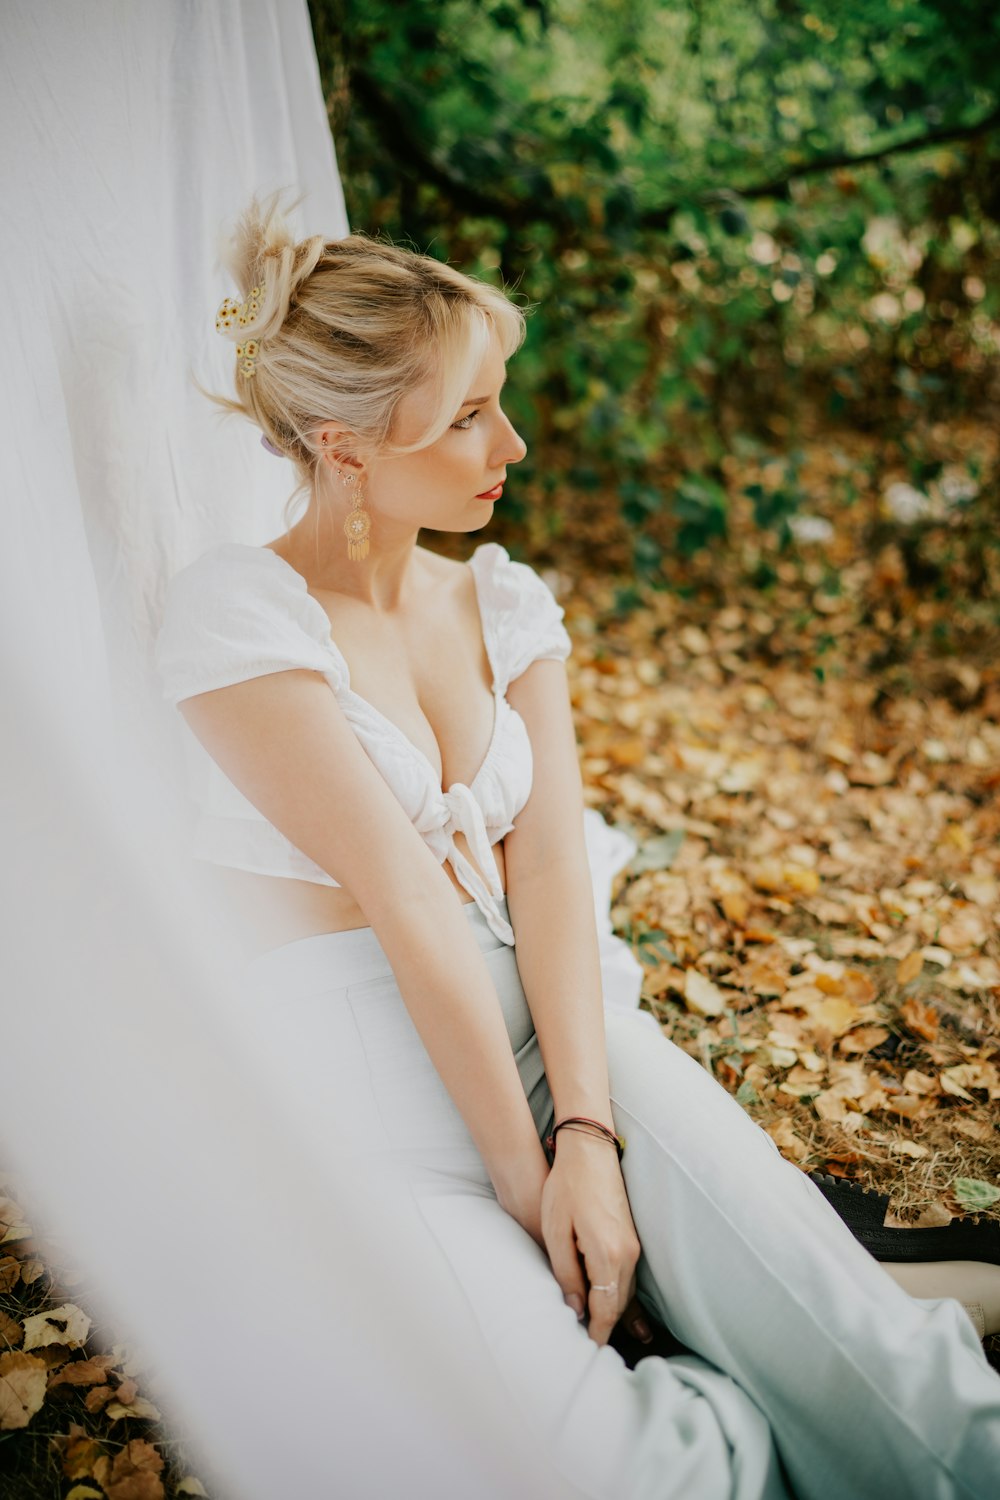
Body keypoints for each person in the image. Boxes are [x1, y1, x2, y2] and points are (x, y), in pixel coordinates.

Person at [155, 193, 1000, 1499]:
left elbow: (547, 869)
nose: (518, 443)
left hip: (553, 1027)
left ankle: (835, 1344)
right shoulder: (238, 616)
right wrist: (520, 1177)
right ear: (345, 448)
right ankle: (743, 1398)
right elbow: (401, 896)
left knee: (886, 1377)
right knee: (597, 1477)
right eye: (469, 418)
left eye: (502, 396)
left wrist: (591, 1138)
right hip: (358, 1100)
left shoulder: (502, 599)